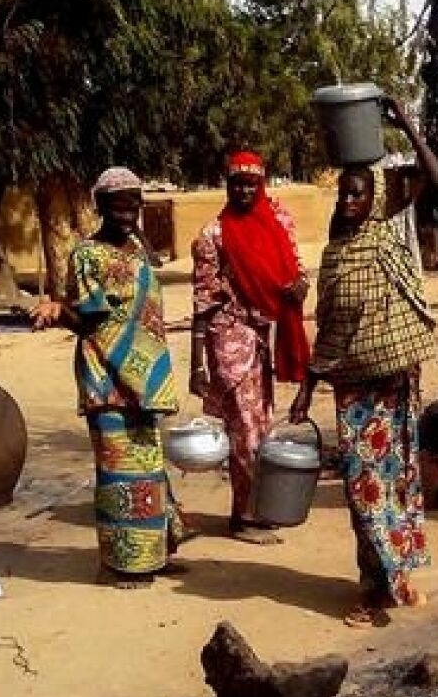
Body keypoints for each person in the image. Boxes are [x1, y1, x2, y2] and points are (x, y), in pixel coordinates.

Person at [288, 97, 438, 628]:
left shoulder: (390, 233)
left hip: (396, 380)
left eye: (359, 191)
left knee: (396, 480)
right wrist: (306, 389)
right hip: (353, 389)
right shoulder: (337, 250)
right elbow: (328, 325)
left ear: (374, 194)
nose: (351, 200)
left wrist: (402, 119)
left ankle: (390, 583)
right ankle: (375, 585)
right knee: (362, 487)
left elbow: (436, 181)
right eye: (345, 192)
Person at [31, 168, 181, 587]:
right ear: (99, 208)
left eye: (134, 204)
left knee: (149, 467)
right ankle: (119, 564)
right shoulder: (87, 255)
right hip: (108, 379)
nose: (127, 212)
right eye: (118, 206)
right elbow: (90, 320)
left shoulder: (138, 247)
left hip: (144, 382)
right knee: (119, 473)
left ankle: (153, 554)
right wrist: (59, 311)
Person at [191, 150, 311, 546]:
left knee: (261, 424)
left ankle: (257, 506)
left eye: (251, 183)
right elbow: (203, 302)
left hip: (262, 337)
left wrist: (300, 287)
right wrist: (198, 365)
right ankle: (243, 516)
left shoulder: (278, 221)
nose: (244, 190)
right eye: (236, 183)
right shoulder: (213, 235)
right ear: (226, 185)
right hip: (228, 338)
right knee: (243, 425)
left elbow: (295, 269)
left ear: (262, 183)